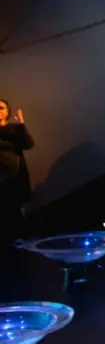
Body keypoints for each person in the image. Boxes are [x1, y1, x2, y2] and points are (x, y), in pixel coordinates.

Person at [0, 100, 34, 245]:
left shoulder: (14, 129)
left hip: (14, 179)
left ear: (7, 112)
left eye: (1, 108)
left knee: (14, 213)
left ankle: (18, 244)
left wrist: (22, 126)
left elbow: (28, 145)